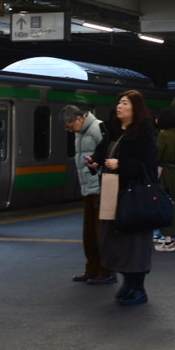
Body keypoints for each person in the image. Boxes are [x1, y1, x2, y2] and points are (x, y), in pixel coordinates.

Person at [99, 90, 159, 306]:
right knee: (118, 241)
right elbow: (103, 155)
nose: (119, 106)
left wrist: (121, 165)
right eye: (119, 102)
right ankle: (127, 282)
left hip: (135, 198)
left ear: (135, 108)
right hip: (115, 194)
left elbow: (150, 167)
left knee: (135, 243)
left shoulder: (143, 134)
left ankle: (138, 288)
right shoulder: (115, 132)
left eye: (124, 103)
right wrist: (96, 162)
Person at [60, 104, 116, 285]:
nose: (70, 130)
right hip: (88, 189)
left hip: (99, 188)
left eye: (70, 126)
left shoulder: (98, 128)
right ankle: (92, 269)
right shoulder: (80, 133)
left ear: (79, 118)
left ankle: (107, 271)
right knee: (89, 234)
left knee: (101, 233)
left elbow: (108, 153)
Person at [153, 108, 175, 252]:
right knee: (174, 205)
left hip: (164, 172)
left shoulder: (163, 135)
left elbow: (157, 154)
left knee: (163, 204)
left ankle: (167, 240)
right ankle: (171, 238)